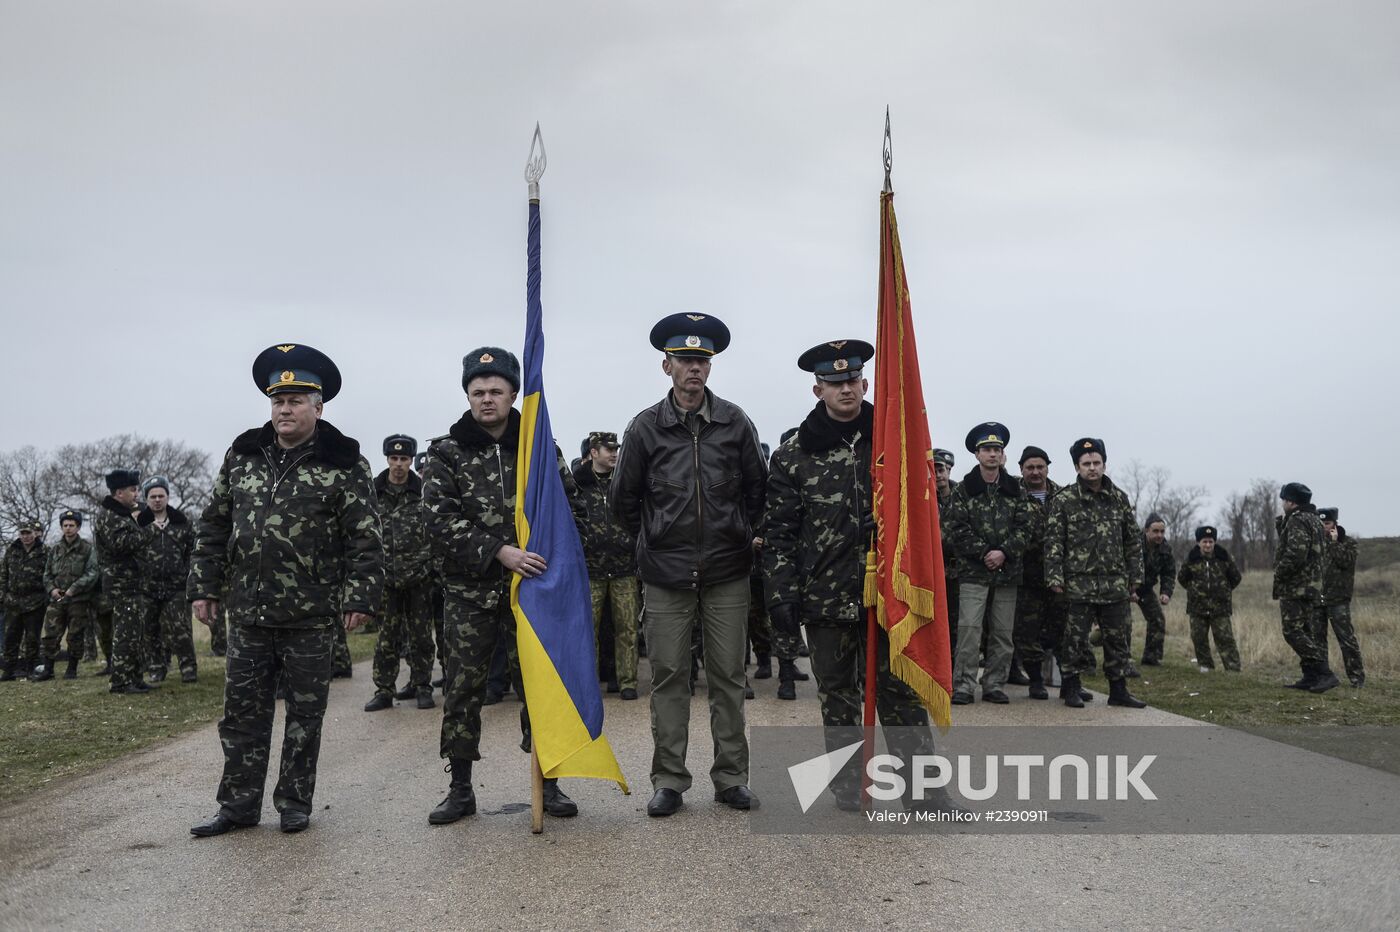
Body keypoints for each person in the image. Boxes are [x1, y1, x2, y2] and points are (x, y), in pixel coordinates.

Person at [188, 343, 383, 836]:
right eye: (278, 401)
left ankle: (294, 803)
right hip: (249, 613)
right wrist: (204, 586)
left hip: (310, 616)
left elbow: (365, 536)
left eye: (296, 400)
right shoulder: (243, 457)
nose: (285, 409)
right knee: (241, 716)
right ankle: (237, 806)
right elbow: (213, 525)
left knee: (304, 718)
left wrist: (360, 596)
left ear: (319, 407)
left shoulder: (345, 464)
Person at [762, 339, 933, 810]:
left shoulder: (893, 441)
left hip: (889, 593)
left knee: (901, 691)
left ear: (865, 382)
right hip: (826, 594)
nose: (846, 389)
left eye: (853, 380)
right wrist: (780, 595)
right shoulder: (793, 455)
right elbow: (779, 532)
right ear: (818, 389)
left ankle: (924, 792)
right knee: (839, 698)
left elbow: (921, 515)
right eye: (835, 383)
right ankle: (849, 789)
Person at [611, 313, 766, 817]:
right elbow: (622, 501)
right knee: (670, 676)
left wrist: (741, 532)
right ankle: (670, 780)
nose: (693, 370)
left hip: (727, 569)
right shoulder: (644, 428)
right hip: (666, 573)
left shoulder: (735, 423)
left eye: (701, 361)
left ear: (710, 367)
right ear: (667, 366)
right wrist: (654, 540)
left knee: (728, 675)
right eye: (684, 361)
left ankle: (731, 778)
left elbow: (757, 491)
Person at [422, 347, 580, 824]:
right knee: (464, 689)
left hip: (532, 592)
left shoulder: (539, 449)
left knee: (538, 685)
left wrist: (551, 564)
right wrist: (497, 551)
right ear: (467, 396)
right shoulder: (445, 452)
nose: (486, 400)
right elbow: (437, 519)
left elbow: (569, 512)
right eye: (477, 392)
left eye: (496, 391)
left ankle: (548, 782)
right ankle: (460, 786)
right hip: (470, 592)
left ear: (515, 394)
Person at [1045, 438, 1147, 709]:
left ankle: (1119, 690)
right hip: (1078, 584)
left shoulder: (1118, 498)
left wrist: (1135, 577)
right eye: (1086, 464)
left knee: (1118, 638)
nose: (1092, 468)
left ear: (1104, 464)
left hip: (1114, 584)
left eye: (1096, 463)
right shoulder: (1065, 500)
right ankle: (1071, 686)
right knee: (1075, 639)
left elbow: (1133, 541)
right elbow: (1054, 541)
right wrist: (1054, 577)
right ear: (1077, 467)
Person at [944, 422, 1034, 706]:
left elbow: (1025, 527)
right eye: (986, 449)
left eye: (997, 449)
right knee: (969, 630)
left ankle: (995, 684)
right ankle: (963, 685)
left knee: (1003, 632)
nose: (992, 454)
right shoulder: (964, 490)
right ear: (977, 454)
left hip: (1007, 572)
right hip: (973, 572)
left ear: (1003, 454)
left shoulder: (1016, 489)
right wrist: (985, 552)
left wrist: (1004, 552)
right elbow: (956, 528)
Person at [364, 435, 437, 712]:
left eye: (404, 459)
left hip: (419, 576)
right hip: (385, 579)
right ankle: (384, 689)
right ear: (387, 459)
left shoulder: (423, 492)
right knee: (387, 637)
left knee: (420, 636)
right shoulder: (373, 493)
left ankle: (422, 686)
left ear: (410, 461)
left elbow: (434, 530)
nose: (398, 465)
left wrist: (427, 565)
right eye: (394, 459)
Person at [573, 431, 642, 701]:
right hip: (590, 570)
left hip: (624, 567)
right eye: (607, 449)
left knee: (627, 628)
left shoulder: (625, 482)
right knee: (588, 631)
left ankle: (628, 682)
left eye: (616, 449)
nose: (614, 453)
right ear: (593, 452)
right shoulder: (577, 484)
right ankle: (588, 684)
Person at [1012, 445, 1078, 701]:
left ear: (1048, 467)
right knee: (1027, 632)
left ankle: (1069, 683)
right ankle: (1036, 681)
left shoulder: (1063, 496)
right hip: (1025, 577)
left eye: (1040, 467)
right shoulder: (1013, 494)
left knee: (1063, 631)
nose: (1035, 472)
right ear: (1021, 469)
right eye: (1030, 467)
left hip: (1059, 578)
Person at [1272, 483, 1337, 693]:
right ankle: (1310, 676)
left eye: (1284, 500)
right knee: (1306, 631)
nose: (1282, 503)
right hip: (1311, 585)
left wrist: (1279, 572)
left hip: (1297, 586)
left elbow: (1296, 553)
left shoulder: (1299, 520)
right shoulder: (1314, 520)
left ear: (1291, 501)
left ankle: (1325, 673)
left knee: (1292, 631)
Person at [93, 468, 150, 694]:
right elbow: (122, 545)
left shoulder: (122, 514)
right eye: (133, 490)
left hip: (132, 583)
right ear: (119, 493)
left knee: (135, 633)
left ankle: (135, 678)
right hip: (121, 584)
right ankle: (121, 682)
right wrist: (146, 529)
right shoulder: (109, 515)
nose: (137, 494)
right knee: (126, 634)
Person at [137, 476, 197, 684]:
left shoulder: (182, 523)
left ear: (168, 497)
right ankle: (155, 667)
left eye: (161, 495)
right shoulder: (139, 524)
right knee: (150, 629)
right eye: (152, 496)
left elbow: (193, 551)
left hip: (176, 587)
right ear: (146, 499)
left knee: (180, 629)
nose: (157, 500)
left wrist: (188, 575)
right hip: (147, 587)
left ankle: (188, 667)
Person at [32, 511, 99, 681]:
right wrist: (52, 589)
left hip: (77, 600)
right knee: (50, 634)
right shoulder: (55, 549)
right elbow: (47, 573)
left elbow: (92, 572)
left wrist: (74, 588)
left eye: (72, 525)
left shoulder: (87, 548)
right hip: (57, 600)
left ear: (78, 527)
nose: (68, 529)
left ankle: (72, 669)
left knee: (75, 635)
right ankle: (48, 669)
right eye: (65, 525)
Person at [1176, 525, 1242, 672]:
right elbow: (1182, 578)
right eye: (1204, 541)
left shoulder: (1223, 557)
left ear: (1214, 542)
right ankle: (1206, 667)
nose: (1208, 545)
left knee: (1225, 639)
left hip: (1220, 608)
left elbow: (1236, 578)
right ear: (1198, 542)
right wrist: (1195, 591)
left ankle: (1233, 669)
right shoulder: (1191, 559)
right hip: (1197, 607)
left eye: (1211, 542)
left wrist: (1223, 590)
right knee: (1199, 638)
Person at [1317, 507, 1363, 688]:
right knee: (1318, 639)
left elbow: (1346, 561)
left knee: (1346, 640)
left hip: (1338, 599)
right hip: (1318, 598)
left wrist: (1335, 543)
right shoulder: (1316, 542)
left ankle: (1357, 677)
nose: (1324, 527)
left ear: (1335, 524)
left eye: (1327, 523)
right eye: (1321, 524)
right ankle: (1323, 676)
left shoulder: (1348, 543)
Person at [1, 520, 48, 681]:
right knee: (10, 637)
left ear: (35, 533)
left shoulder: (44, 551)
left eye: (28, 533)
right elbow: (3, 575)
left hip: (35, 601)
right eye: (23, 533)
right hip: (13, 601)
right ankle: (8, 670)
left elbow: (49, 575)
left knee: (32, 638)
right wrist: (3, 596)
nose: (26, 536)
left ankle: (30, 668)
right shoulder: (11, 551)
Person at [1133, 514, 1175, 673]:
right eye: (1155, 531)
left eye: (1162, 531)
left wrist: (1166, 592)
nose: (1159, 535)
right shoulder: (1133, 544)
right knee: (1122, 622)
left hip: (1145, 589)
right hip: (1125, 586)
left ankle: (1152, 657)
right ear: (1146, 531)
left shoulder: (1165, 549)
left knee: (1157, 619)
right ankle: (1120, 660)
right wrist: (1130, 590)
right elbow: (1120, 568)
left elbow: (1169, 573)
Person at [933, 448, 960, 654]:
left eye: (942, 469)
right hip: (931, 571)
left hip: (956, 573)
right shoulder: (922, 497)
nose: (939, 474)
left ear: (949, 471)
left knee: (955, 624)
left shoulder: (962, 496)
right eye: (934, 469)